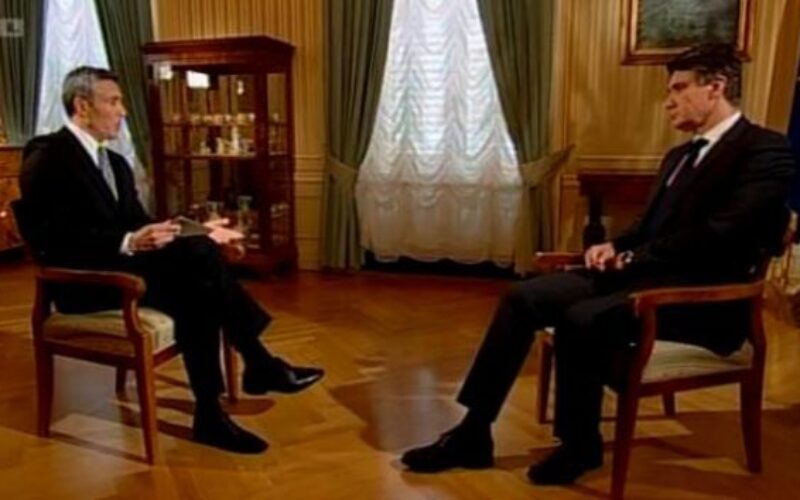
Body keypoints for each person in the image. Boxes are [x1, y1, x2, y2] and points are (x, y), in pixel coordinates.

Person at [400, 43, 795, 484]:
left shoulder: (765, 150)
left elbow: (721, 233)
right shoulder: (678, 157)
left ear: (715, 87)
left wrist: (633, 258)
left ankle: (580, 445)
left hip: (700, 299)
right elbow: (647, 228)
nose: (668, 101)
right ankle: (474, 433)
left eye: (679, 88)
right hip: (642, 276)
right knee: (522, 297)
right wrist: (614, 246)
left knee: (581, 318)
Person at [19, 66, 324, 454]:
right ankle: (257, 364)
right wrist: (130, 240)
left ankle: (213, 413)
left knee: (198, 278)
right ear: (82, 106)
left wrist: (199, 233)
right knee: (199, 268)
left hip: (125, 268)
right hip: (85, 284)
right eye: (114, 101)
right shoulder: (48, 156)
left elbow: (138, 223)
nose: (123, 111)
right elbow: (55, 241)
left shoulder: (116, 164)